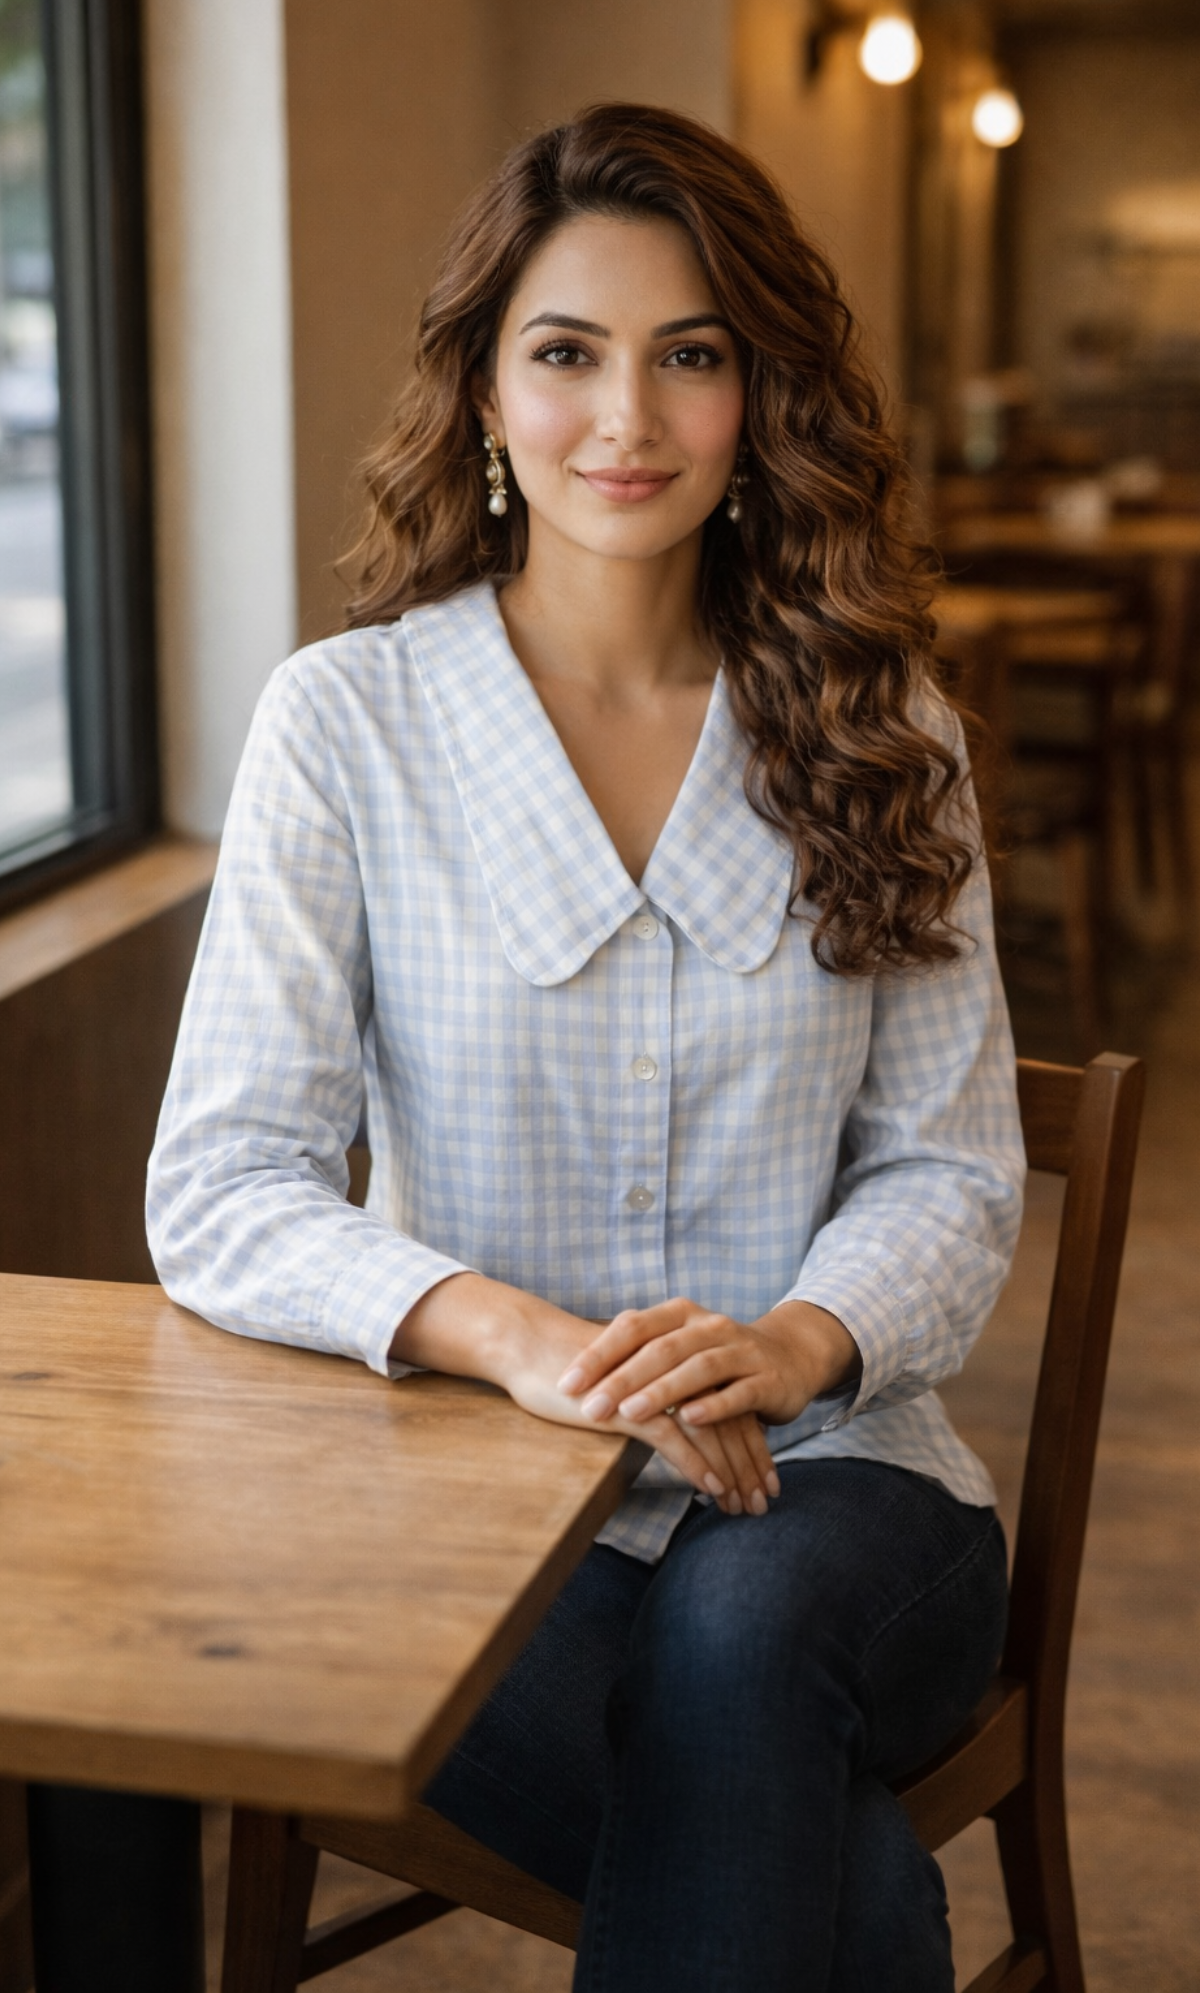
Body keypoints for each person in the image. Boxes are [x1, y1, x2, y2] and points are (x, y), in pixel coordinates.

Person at [143, 104, 1022, 1991]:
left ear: (757, 395)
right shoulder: (349, 728)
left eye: (690, 356)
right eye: (566, 353)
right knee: (851, 1897)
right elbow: (220, 1183)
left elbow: (950, 1170)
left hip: (845, 1488)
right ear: (482, 390)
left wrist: (790, 1342)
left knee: (740, 1635)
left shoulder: (889, 733)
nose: (626, 419)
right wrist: (521, 1341)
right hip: (464, 1505)